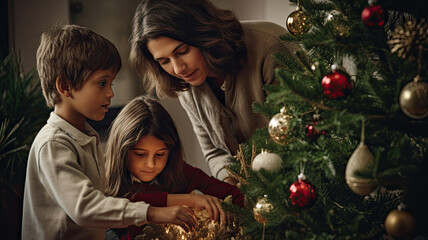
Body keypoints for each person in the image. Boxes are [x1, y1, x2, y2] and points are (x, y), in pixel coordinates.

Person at [21, 24, 198, 240]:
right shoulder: (53, 144)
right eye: (102, 83)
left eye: (111, 83)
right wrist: (153, 213)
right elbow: (84, 207)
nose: (111, 93)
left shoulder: (84, 138)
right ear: (65, 87)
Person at [129, 0, 296, 185]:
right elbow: (215, 152)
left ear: (203, 35)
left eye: (182, 51)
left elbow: (295, 135)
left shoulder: (268, 47)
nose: (178, 69)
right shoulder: (186, 82)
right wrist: (230, 190)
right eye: (163, 61)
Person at [104, 95, 245, 239]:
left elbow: (234, 195)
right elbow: (132, 202)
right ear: (122, 151)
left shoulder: (179, 171)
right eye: (140, 154)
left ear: (171, 151)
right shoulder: (104, 182)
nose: (151, 164)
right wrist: (191, 200)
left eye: (160, 154)